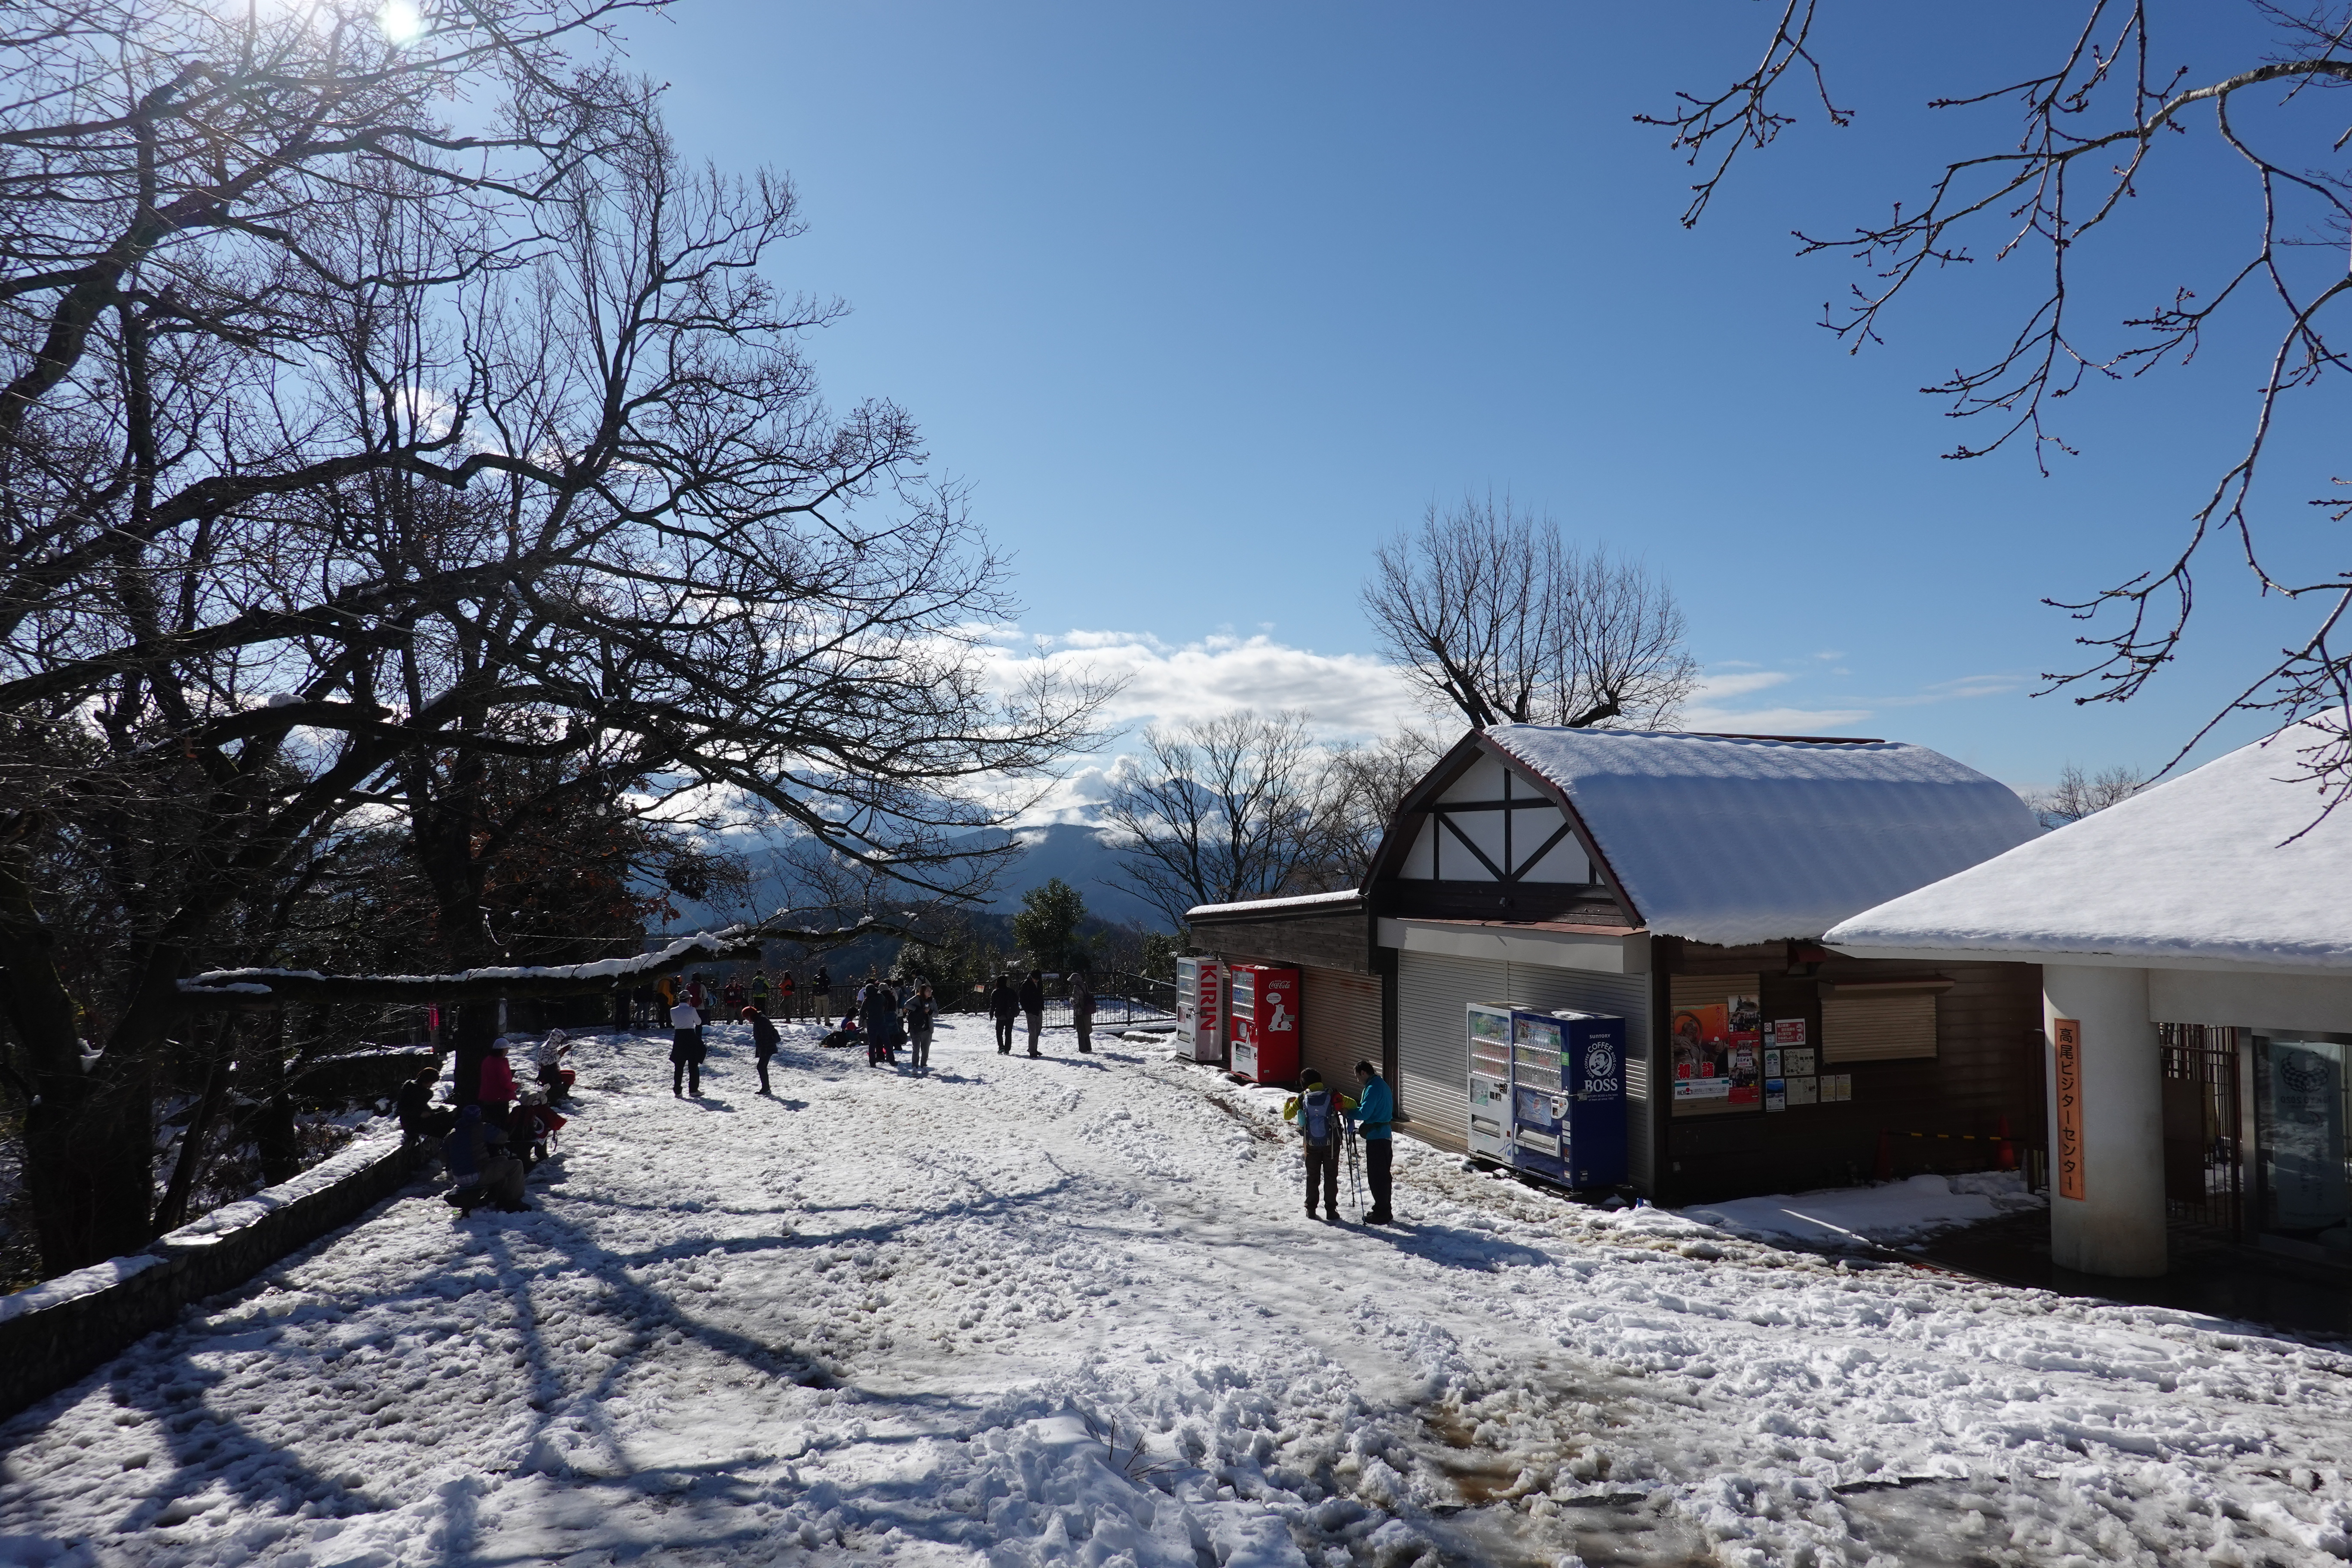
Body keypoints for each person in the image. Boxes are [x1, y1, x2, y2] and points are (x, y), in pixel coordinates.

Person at [1283, 1069, 1357, 1221]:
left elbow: (1287, 1116)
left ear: (1304, 1083)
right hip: (1331, 1143)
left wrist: (1288, 1102)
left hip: (1311, 1143)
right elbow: (1354, 1104)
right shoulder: (1331, 1094)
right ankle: (1331, 1210)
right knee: (1331, 1175)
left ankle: (1311, 1209)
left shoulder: (1302, 1097)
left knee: (1312, 1175)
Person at [1352, 1059, 1396, 1225]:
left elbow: (1364, 1113)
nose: (1358, 1080)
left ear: (1364, 1073)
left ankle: (1382, 1212)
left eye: (1358, 1076)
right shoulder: (1381, 1084)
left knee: (1377, 1178)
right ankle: (1383, 1208)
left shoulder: (1372, 1088)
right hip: (1384, 1136)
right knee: (1383, 1176)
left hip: (1377, 1138)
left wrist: (1347, 1110)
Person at [395, 1065, 450, 1146]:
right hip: (410, 1124)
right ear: (427, 1080)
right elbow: (402, 1108)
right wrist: (420, 1113)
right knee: (443, 1123)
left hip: (420, 1120)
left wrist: (434, 1111)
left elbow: (422, 1106)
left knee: (445, 1117)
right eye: (432, 1083)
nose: (431, 1086)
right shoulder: (411, 1087)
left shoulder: (425, 1091)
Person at [514, 1089, 566, 1167]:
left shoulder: (517, 1110)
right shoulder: (542, 1110)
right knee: (541, 1141)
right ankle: (542, 1157)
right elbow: (556, 1122)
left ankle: (527, 1159)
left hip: (516, 1138)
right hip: (535, 1135)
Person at [479, 1037, 519, 1128]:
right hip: (499, 1099)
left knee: (489, 1124)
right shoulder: (500, 1064)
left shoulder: (487, 1060)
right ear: (503, 1050)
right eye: (507, 1050)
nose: (508, 1052)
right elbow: (505, 1083)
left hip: (487, 1097)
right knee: (501, 1125)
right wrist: (515, 1086)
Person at [862, 977, 902, 1066]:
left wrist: (867, 1017)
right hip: (881, 1021)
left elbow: (862, 1013)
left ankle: (872, 1063)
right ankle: (892, 1061)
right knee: (887, 1042)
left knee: (872, 1043)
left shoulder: (867, 1001)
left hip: (871, 1022)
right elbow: (886, 1004)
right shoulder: (881, 997)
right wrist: (882, 1013)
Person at [671, 993, 705, 1096]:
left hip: (679, 1037)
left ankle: (677, 1090)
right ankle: (693, 1089)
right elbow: (699, 1022)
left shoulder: (673, 1010)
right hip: (690, 1036)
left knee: (679, 1065)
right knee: (693, 1064)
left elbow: (674, 1023)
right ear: (689, 1000)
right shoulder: (692, 1010)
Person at [743, 1004, 781, 1093]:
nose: (747, 1020)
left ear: (751, 1015)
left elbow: (765, 1036)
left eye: (747, 1017)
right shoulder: (759, 1019)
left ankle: (766, 1088)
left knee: (761, 1067)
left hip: (767, 1047)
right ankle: (766, 1088)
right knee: (762, 1067)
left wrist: (763, 1051)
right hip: (766, 1047)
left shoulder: (761, 1020)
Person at [534, 1029, 576, 1104]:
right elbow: (546, 1062)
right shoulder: (546, 1048)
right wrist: (558, 1055)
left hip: (553, 1071)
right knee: (570, 1076)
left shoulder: (552, 1047)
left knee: (572, 1073)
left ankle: (563, 1093)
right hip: (548, 1075)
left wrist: (561, 1053)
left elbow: (555, 1061)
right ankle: (561, 1094)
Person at [903, 981, 937, 1072]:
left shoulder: (932, 1001)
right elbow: (906, 1004)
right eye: (927, 991)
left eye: (931, 991)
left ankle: (924, 1066)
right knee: (916, 1049)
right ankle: (915, 1067)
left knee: (926, 1049)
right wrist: (918, 1009)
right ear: (922, 992)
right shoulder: (917, 998)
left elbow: (936, 1014)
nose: (930, 993)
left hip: (928, 1028)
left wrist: (930, 1011)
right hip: (915, 1027)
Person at [989, 974, 1019, 1054]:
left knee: (999, 1032)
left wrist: (991, 1014)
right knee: (1008, 1033)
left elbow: (993, 1005)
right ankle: (1007, 1049)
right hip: (1010, 1014)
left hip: (1000, 1014)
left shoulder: (996, 992)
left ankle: (1001, 1046)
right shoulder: (1011, 991)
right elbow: (1016, 1000)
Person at [1019, 970, 1045, 1057]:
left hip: (1038, 1009)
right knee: (1033, 1031)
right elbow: (1022, 999)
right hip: (1031, 1011)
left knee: (1038, 1029)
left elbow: (1041, 994)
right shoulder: (1026, 985)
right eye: (1035, 979)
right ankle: (1032, 1051)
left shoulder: (1040, 983)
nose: (1036, 981)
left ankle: (1033, 1048)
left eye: (1038, 979)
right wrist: (1027, 1009)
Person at [1069, 969, 1096, 1055]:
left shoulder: (1076, 988)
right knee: (1086, 1029)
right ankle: (1089, 1047)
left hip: (1080, 1011)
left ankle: (1083, 1049)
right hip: (1087, 1010)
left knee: (1081, 1030)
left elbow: (1076, 1001)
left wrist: (1071, 1000)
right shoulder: (1085, 985)